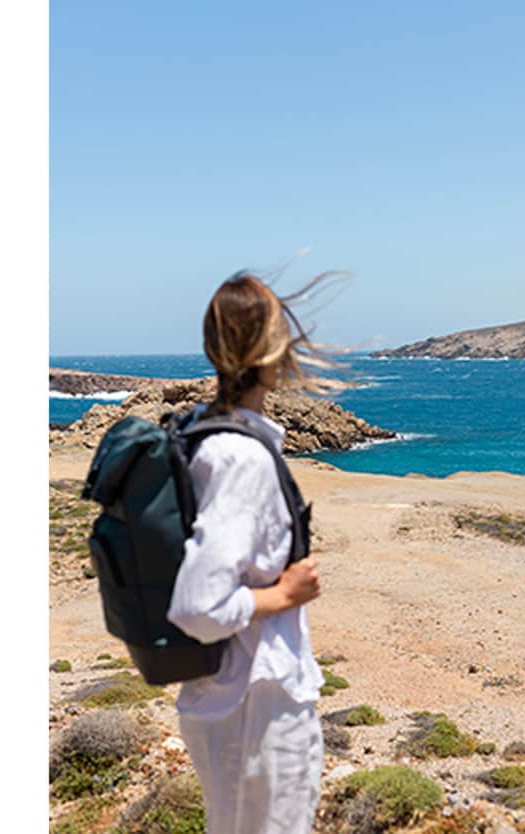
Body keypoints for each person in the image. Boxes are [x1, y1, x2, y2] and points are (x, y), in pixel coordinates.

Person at [166, 270, 338, 834]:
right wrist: (285, 594)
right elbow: (198, 606)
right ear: (271, 350)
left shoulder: (212, 436)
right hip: (254, 709)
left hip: (234, 703)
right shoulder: (241, 459)